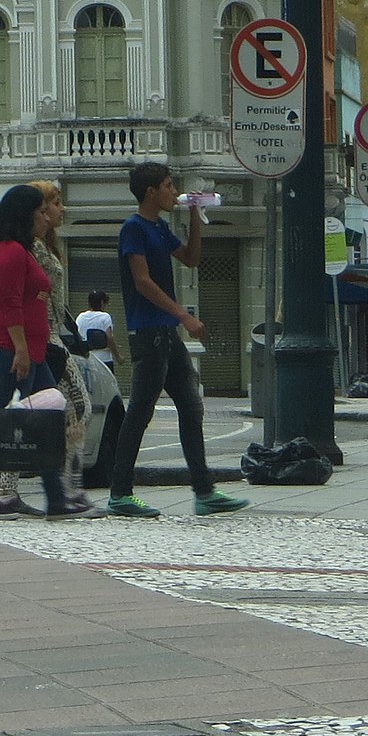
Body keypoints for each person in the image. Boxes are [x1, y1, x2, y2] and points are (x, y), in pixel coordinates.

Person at [102, 162, 248, 519]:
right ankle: (120, 493)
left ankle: (204, 491)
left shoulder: (159, 226)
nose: (173, 191)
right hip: (149, 333)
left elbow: (191, 259)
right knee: (139, 413)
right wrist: (184, 315)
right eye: (168, 186)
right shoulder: (133, 229)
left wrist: (196, 217)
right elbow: (142, 281)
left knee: (191, 408)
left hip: (167, 334)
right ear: (151, 192)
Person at [0, 184, 97, 520]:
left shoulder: (22, 250)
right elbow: (9, 307)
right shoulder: (9, 252)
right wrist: (22, 351)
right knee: (0, 428)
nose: (46, 216)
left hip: (32, 351)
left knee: (46, 423)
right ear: (25, 215)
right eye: (40, 211)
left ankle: (56, 501)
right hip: (13, 351)